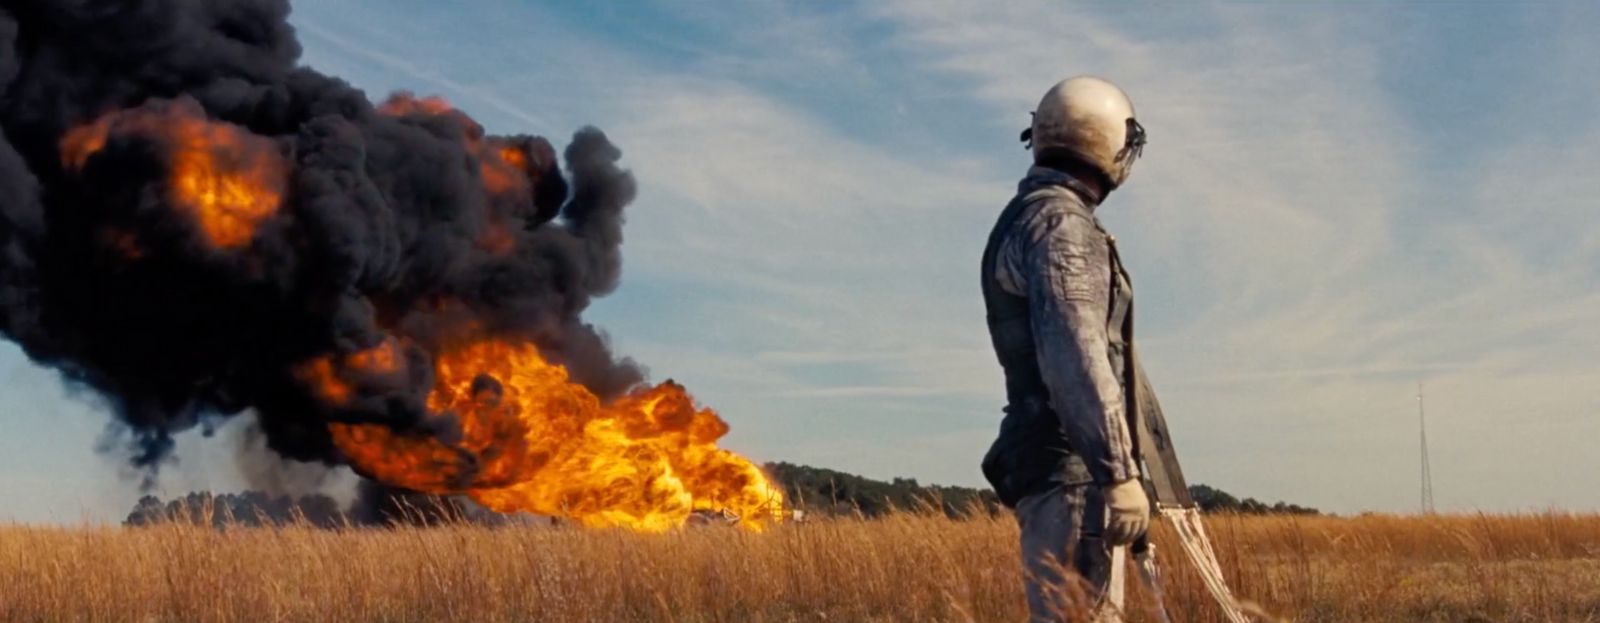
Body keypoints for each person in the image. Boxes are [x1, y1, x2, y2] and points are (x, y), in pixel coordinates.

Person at [979, 76, 1151, 622]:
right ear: (1109, 142)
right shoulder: (1062, 226)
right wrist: (1117, 474)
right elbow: (1076, 353)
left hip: (1057, 465)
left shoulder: (1031, 215)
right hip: (1072, 472)